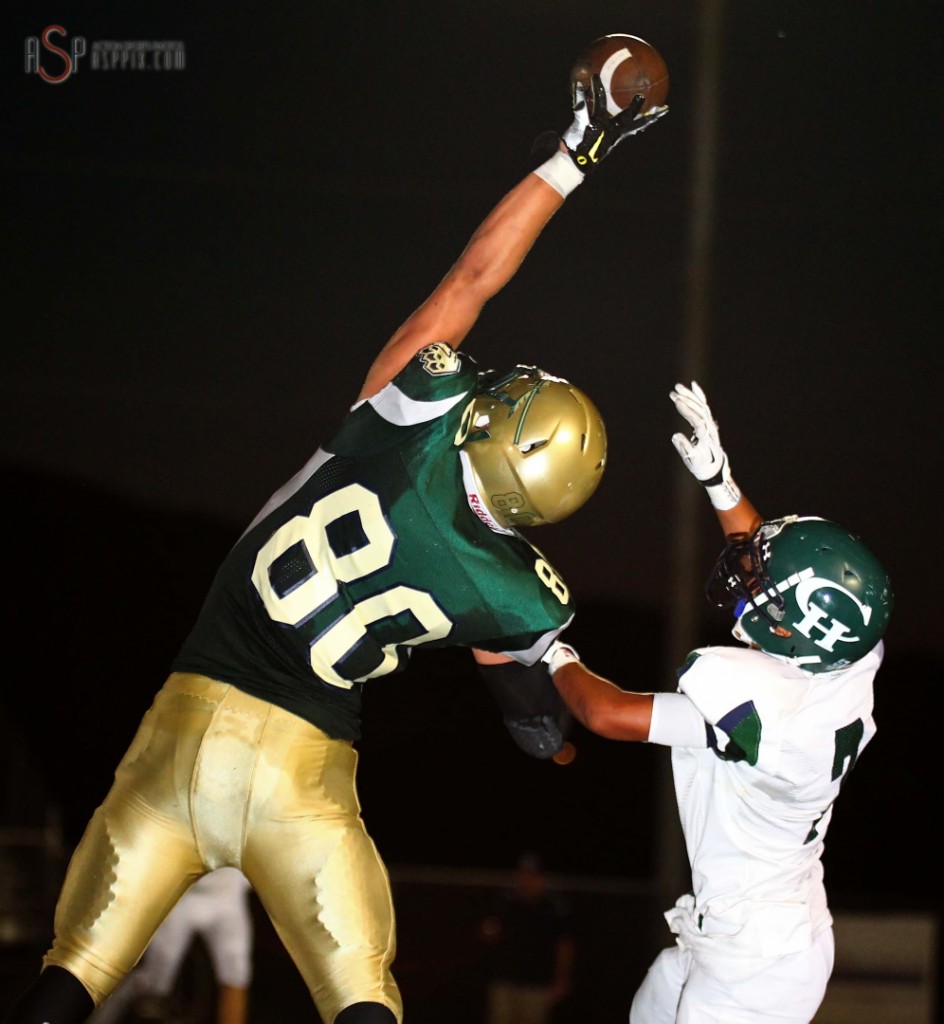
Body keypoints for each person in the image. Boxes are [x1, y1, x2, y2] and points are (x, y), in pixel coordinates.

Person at [1, 80, 668, 1024]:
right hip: (302, 776)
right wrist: (544, 722)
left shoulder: (415, 407)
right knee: (361, 999)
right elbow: (532, 709)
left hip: (185, 723)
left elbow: (474, 278)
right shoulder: (511, 592)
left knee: (73, 977)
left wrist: (577, 150)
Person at [544, 381, 893, 1024]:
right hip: (760, 934)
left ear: (796, 632)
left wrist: (549, 651)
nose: (747, 573)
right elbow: (790, 586)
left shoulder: (763, 710)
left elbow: (606, 713)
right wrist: (722, 484)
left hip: (756, 968)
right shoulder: (846, 661)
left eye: (765, 588)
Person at [87, 867, 253, 1024]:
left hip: (227, 895)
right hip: (181, 896)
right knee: (153, 985)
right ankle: (103, 1017)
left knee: (236, 977)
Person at [478, 854, 574, 1024]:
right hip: (504, 981)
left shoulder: (553, 908)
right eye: (523, 875)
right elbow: (489, 933)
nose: (527, 881)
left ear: (542, 879)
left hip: (537, 985)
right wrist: (488, 931)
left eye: (532, 876)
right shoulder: (506, 902)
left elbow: (564, 946)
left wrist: (561, 980)